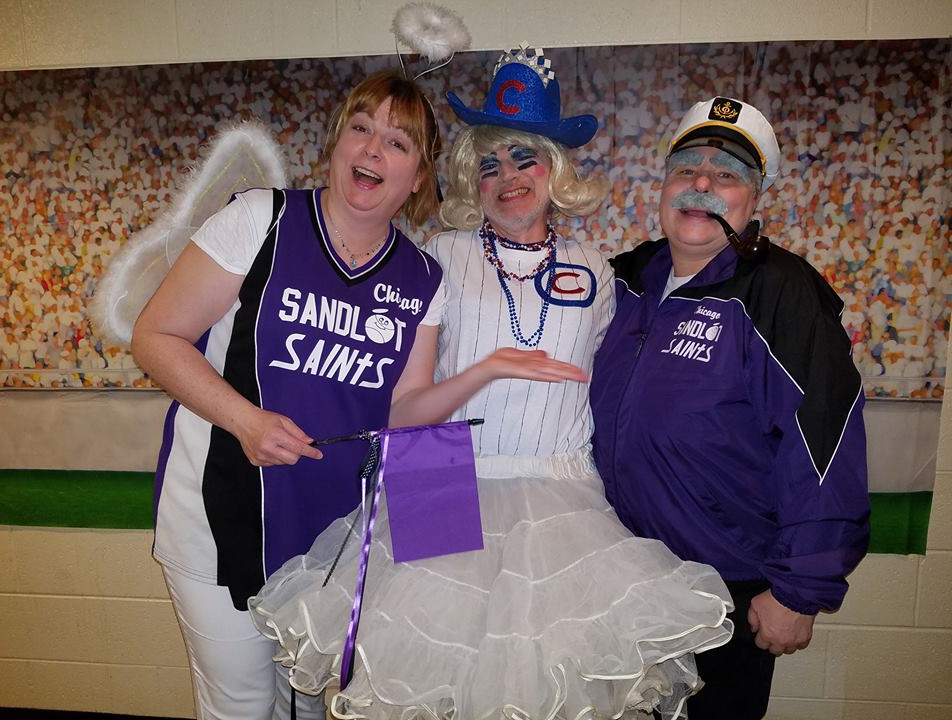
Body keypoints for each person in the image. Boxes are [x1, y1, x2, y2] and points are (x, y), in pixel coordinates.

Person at [250, 45, 733, 720]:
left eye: (524, 158)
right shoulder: (435, 258)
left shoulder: (597, 271)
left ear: (555, 170)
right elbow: (408, 408)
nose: (506, 176)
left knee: (542, 686)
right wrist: (488, 369)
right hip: (437, 468)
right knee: (434, 679)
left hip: (558, 483)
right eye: (488, 163)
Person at [130, 70, 448, 720]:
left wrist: (435, 543)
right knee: (245, 705)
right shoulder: (260, 220)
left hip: (332, 541)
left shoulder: (423, 277)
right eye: (360, 128)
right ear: (336, 143)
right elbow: (155, 337)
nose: (370, 150)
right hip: (222, 519)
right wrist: (244, 420)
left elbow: (409, 411)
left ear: (418, 177)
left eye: (396, 142)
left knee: (311, 706)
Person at [589, 96, 871, 719]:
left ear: (754, 199)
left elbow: (825, 445)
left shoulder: (782, 293)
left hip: (724, 596)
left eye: (728, 176)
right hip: (618, 586)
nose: (703, 186)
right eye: (688, 169)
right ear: (661, 187)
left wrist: (800, 591)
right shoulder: (620, 281)